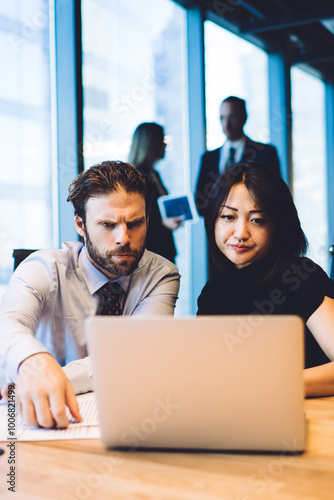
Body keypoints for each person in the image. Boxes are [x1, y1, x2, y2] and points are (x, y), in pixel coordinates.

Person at [0, 160, 180, 428]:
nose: (124, 238)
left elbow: (136, 354)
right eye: (108, 225)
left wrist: (52, 379)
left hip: (128, 420)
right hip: (38, 422)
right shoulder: (42, 268)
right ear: (80, 226)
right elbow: (7, 323)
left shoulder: (161, 274)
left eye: (135, 223)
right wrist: (31, 361)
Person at [197, 162, 334, 398]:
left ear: (278, 226)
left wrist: (272, 384)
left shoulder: (299, 276)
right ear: (213, 222)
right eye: (228, 216)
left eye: (257, 220)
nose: (240, 233)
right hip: (239, 419)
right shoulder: (212, 294)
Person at [195, 96, 280, 217]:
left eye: (232, 117)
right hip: (218, 232)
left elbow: (275, 197)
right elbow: (200, 204)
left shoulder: (266, 153)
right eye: (222, 118)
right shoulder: (208, 158)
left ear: (244, 118)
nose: (226, 124)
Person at [128, 122, 183, 264]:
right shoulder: (135, 178)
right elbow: (132, 222)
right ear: (151, 144)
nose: (165, 146)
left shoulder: (154, 173)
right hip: (150, 253)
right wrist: (163, 225)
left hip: (163, 249)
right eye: (162, 141)